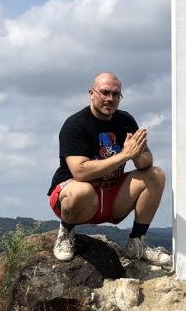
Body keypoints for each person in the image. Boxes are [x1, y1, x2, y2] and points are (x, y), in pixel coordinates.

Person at [47, 72, 172, 267]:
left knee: (156, 175)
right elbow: (80, 171)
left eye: (115, 94)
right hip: (77, 199)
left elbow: (146, 160)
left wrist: (137, 154)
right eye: (104, 92)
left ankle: (136, 243)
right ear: (91, 93)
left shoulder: (125, 121)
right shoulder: (75, 125)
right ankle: (66, 233)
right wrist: (124, 155)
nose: (110, 99)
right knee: (82, 190)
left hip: (112, 195)